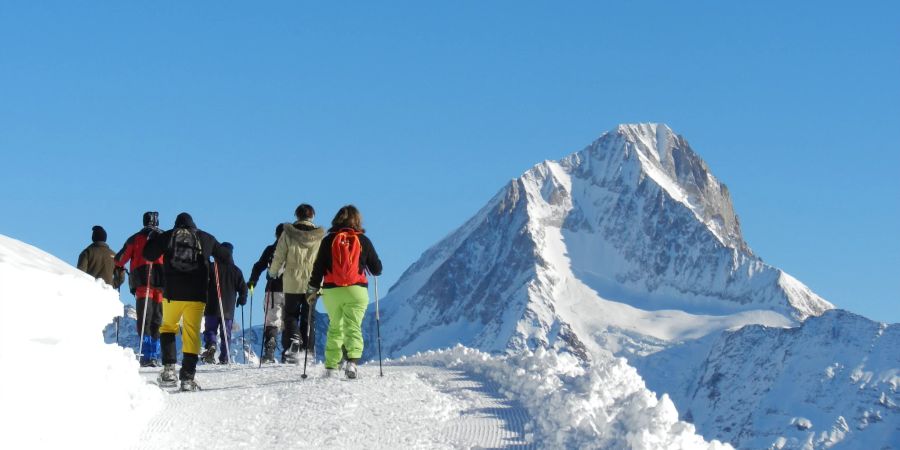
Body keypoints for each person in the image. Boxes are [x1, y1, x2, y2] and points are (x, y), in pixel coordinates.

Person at [143, 212, 232, 391]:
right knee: (191, 334)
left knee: (168, 327)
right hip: (197, 295)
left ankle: (168, 371)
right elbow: (226, 257)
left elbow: (148, 254)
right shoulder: (205, 237)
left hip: (172, 294)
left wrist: (153, 240)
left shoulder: (168, 236)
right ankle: (187, 379)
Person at [307, 205, 382, 379]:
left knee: (335, 327)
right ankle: (352, 363)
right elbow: (377, 269)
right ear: (357, 220)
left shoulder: (328, 240)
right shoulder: (363, 240)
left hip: (332, 291)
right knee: (353, 327)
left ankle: (331, 366)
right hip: (356, 290)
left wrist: (312, 289)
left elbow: (318, 268)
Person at [267, 204, 324, 364]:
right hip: (313, 282)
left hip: (292, 281)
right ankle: (309, 352)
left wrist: (273, 273)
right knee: (309, 317)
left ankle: (294, 341)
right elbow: (323, 259)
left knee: (291, 314)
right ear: (312, 216)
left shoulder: (287, 234)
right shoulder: (319, 236)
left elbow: (279, 256)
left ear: (296, 215)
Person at [115, 212, 165, 367]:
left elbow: (119, 259)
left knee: (144, 318)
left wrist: (119, 269)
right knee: (157, 318)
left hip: (142, 282)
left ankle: (146, 355)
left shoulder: (134, 238)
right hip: (161, 283)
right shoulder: (164, 237)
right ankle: (154, 354)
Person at [201, 242, 248, 365]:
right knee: (225, 335)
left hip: (211, 306)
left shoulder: (212, 267)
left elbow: (203, 282)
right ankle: (224, 357)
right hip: (228, 309)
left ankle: (211, 345)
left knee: (210, 330)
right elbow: (243, 288)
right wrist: (242, 298)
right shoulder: (236, 271)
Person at [248, 224, 286, 364]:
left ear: (276, 235)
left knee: (272, 321)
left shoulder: (270, 249)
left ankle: (269, 350)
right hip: (291, 290)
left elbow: (258, 266)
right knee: (289, 321)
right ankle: (288, 354)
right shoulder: (293, 250)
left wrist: (253, 281)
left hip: (272, 289)